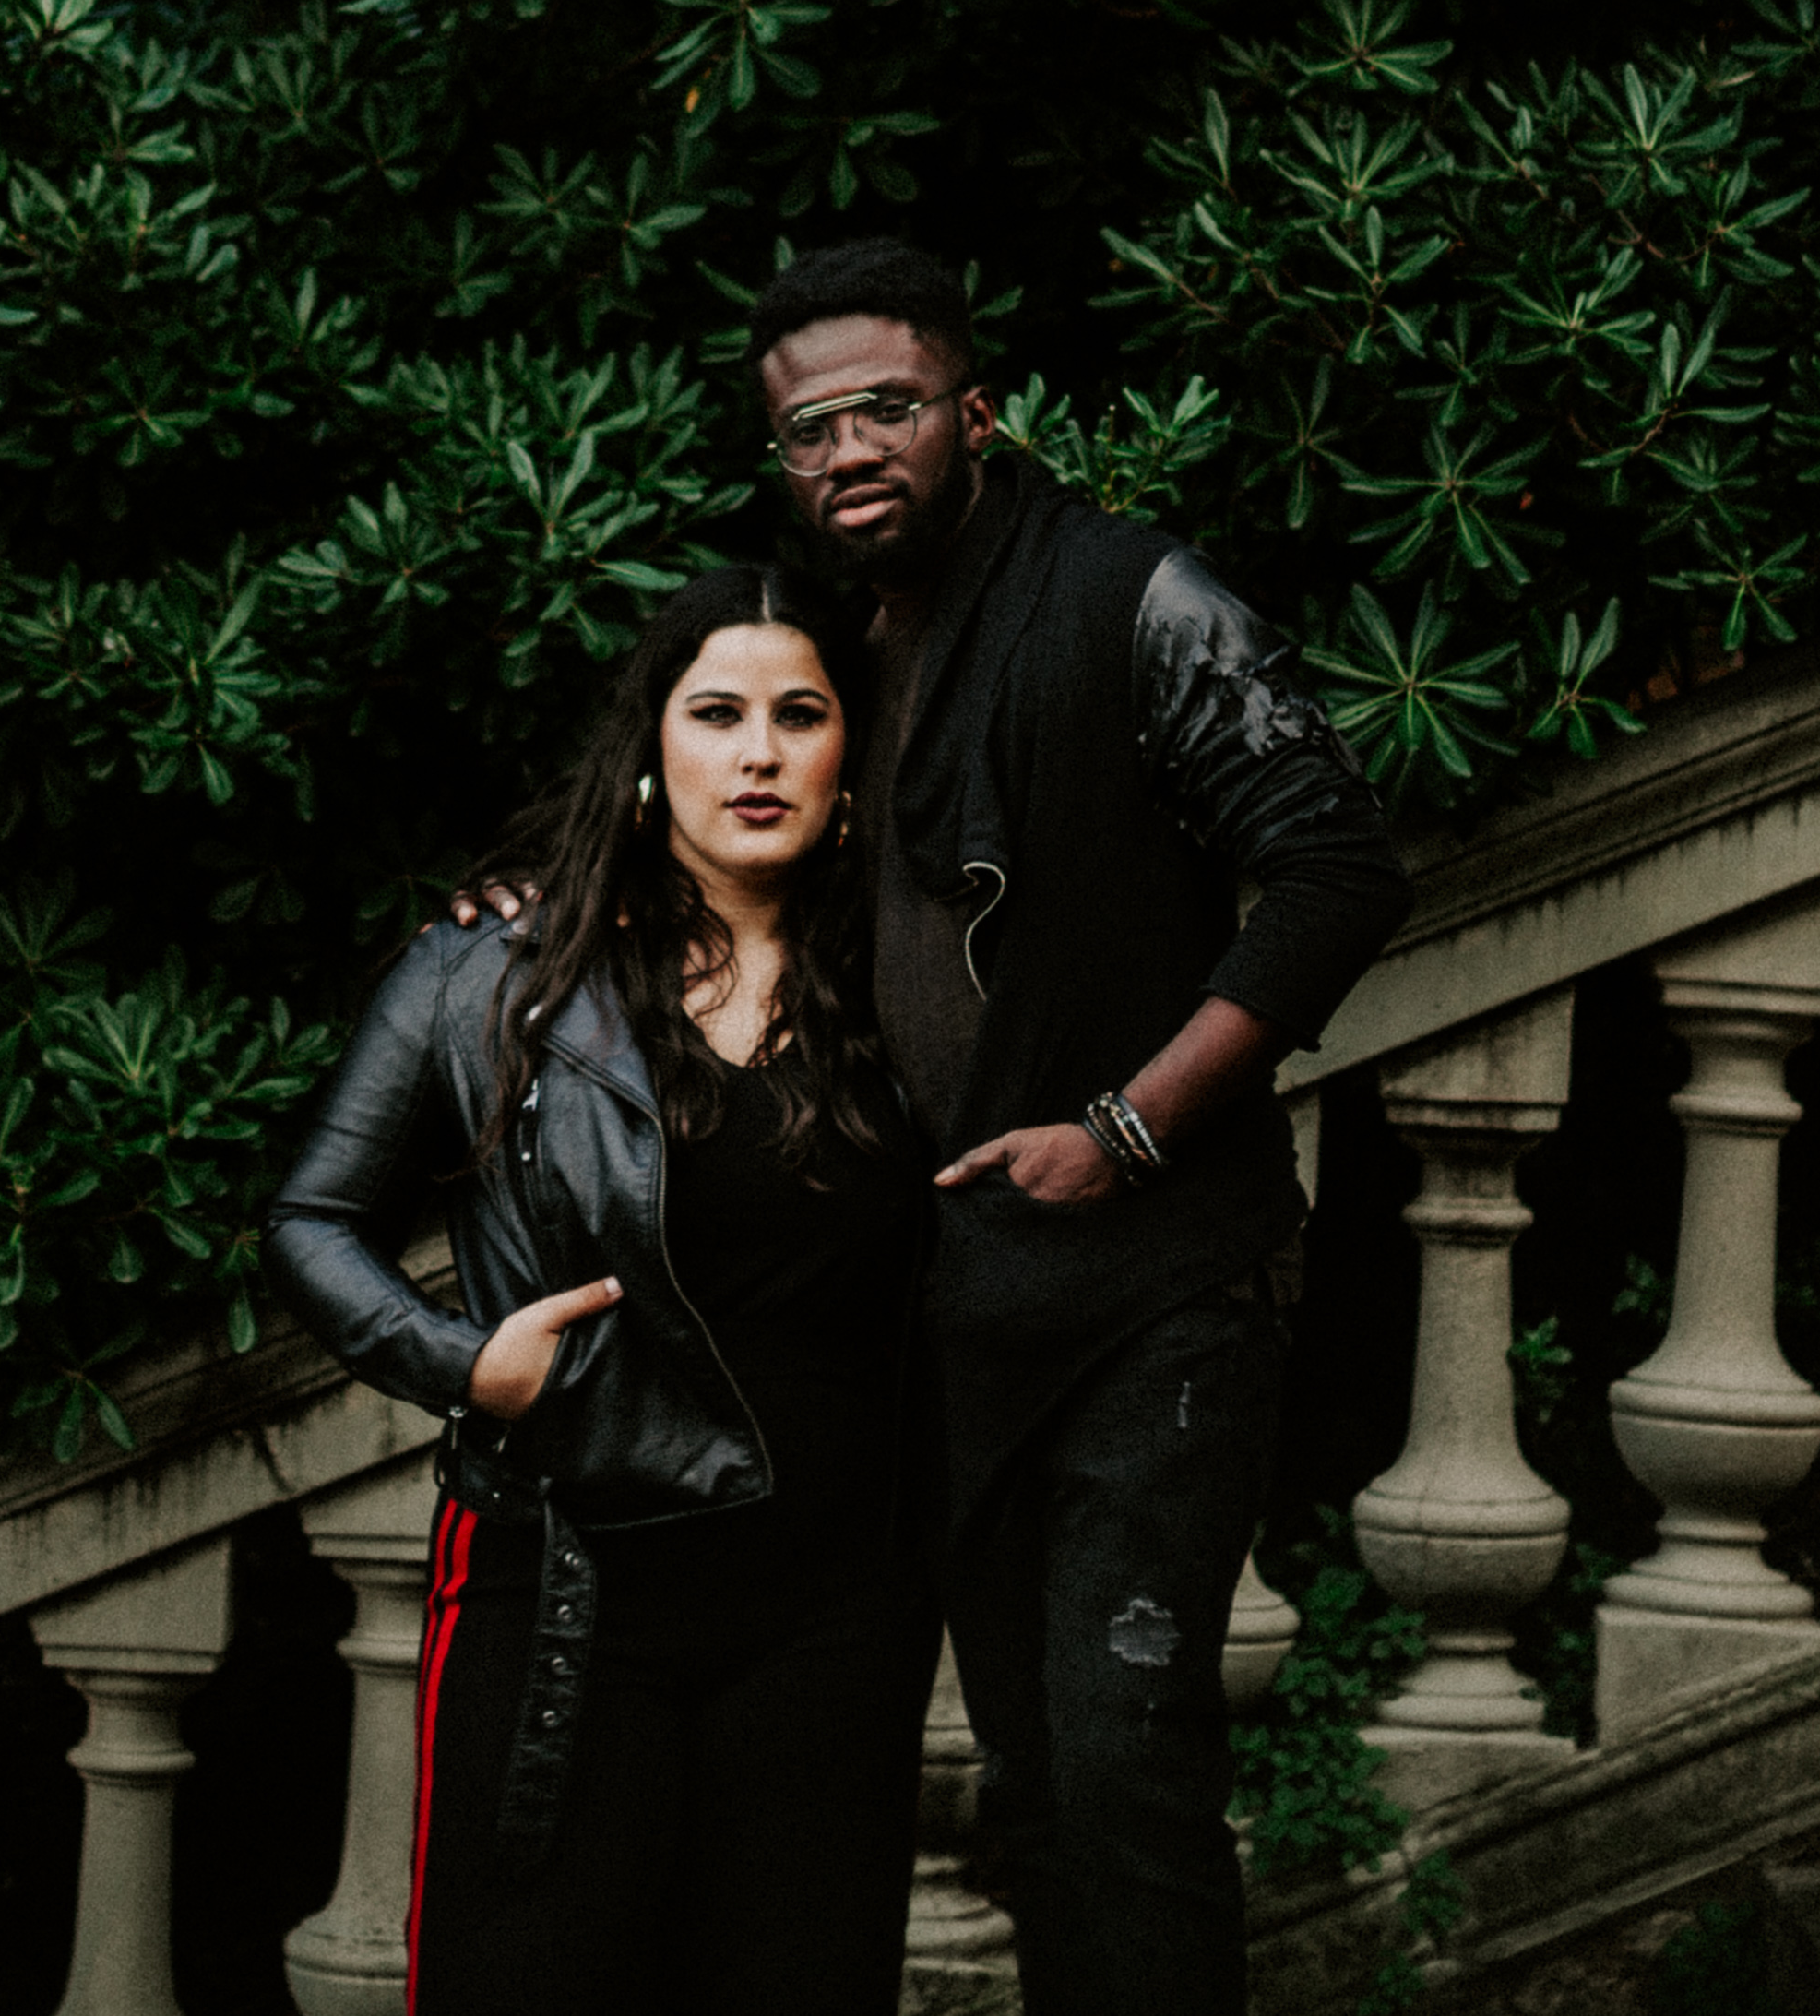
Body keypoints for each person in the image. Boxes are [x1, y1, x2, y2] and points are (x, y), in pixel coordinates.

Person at [463, 240, 1413, 2012]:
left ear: (976, 412)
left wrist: (1125, 1127)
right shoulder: (835, 648)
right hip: (951, 1319)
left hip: (1154, 1291)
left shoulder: (1126, 593)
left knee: (1124, 1775)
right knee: (1034, 1794)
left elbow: (1340, 867)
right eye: (808, 427)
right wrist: (542, 892)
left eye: (886, 406)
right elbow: (718, 819)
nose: (849, 449)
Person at [265, 564, 934, 2015]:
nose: (759, 752)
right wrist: (460, 1363)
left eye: (801, 714)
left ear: (852, 752)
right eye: (717, 712)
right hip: (566, 1591)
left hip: (834, 1611)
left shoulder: (916, 972)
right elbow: (312, 1219)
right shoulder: (496, 969)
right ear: (651, 744)